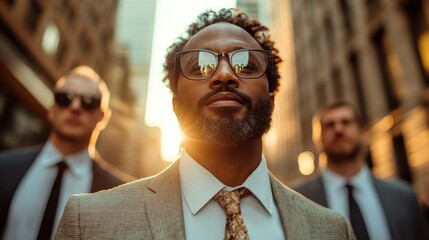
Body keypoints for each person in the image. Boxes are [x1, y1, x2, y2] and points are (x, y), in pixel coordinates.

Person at [56, 9, 356, 239]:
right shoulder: (90, 221)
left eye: (245, 64)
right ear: (175, 105)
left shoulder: (332, 229)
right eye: (201, 65)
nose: (224, 74)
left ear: (272, 100)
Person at [0, 65, 133, 240]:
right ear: (52, 109)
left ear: (102, 117)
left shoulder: (122, 195)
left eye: (88, 101)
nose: (75, 107)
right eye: (65, 98)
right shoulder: (4, 167)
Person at [294, 101, 429, 240]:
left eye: (346, 122)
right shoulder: (295, 200)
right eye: (329, 125)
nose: (339, 129)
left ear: (362, 132)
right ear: (318, 139)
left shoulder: (404, 197)